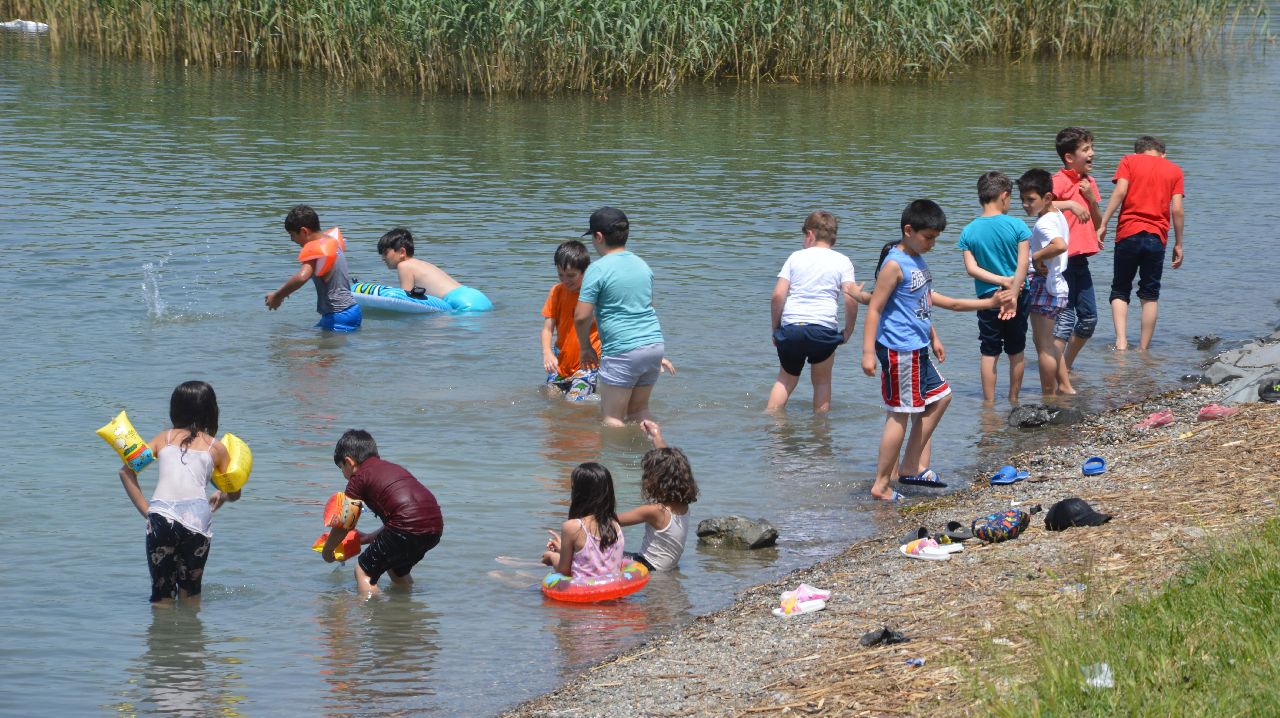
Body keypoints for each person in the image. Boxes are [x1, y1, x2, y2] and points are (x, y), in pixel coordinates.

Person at [861, 200, 1012, 500]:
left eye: (935, 238)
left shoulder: (917, 261)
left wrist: (987, 305)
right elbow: (875, 309)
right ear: (908, 230)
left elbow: (932, 304)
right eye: (928, 237)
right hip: (899, 349)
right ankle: (881, 484)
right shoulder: (895, 264)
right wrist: (867, 352)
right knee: (900, 414)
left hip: (918, 349)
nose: (932, 243)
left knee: (941, 397)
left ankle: (907, 466)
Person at [117, 381, 239, 604]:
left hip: (162, 517)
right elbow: (234, 492)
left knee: (161, 592)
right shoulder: (217, 448)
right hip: (197, 521)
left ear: (174, 409)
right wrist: (220, 496)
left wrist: (148, 511)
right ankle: (190, 638)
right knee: (191, 593)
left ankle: (161, 637)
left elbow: (126, 472)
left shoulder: (163, 438)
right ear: (212, 411)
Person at [574, 207, 675, 426]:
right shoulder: (642, 265)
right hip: (654, 346)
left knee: (612, 417)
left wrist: (585, 347)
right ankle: (654, 453)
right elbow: (649, 305)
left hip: (622, 350)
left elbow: (581, 316)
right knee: (640, 412)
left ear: (598, 236)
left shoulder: (598, 269)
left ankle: (615, 461)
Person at [767, 211, 868, 412]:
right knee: (822, 382)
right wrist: (848, 330)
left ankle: (772, 427)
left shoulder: (795, 257)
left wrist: (776, 329)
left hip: (792, 328)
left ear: (810, 234)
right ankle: (820, 435)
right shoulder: (842, 261)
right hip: (823, 329)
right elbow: (851, 298)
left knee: (785, 379)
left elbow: (778, 296)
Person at [322, 429, 444, 596]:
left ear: (349, 462)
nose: (344, 474)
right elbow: (405, 516)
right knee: (396, 570)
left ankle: (377, 615)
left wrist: (328, 551)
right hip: (435, 526)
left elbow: (345, 523)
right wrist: (367, 538)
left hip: (406, 526)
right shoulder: (392, 468)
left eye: (341, 468)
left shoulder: (358, 478)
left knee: (364, 571)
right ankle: (406, 613)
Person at [1098, 135, 1185, 351]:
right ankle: (1144, 349)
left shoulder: (1129, 160)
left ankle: (1121, 343)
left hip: (1129, 232)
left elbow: (1120, 192)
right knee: (1150, 294)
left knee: (1120, 289)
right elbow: (1177, 209)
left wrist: (1103, 223)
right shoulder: (1174, 169)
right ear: (1162, 153)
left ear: (1138, 152)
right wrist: (1179, 243)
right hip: (1157, 237)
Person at [957, 171, 1031, 404]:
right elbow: (1023, 264)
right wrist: (1013, 288)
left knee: (989, 350)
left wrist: (1000, 282)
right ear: (1004, 196)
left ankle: (988, 405)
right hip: (1018, 293)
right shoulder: (1017, 225)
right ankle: (1013, 399)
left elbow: (972, 269)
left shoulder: (968, 230)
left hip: (987, 297)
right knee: (1016, 349)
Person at [1051, 127, 1104, 390]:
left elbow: (1097, 223)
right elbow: (1037, 206)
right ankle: (1054, 376)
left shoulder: (1089, 182)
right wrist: (1070, 204)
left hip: (1081, 260)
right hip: (1061, 261)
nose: (1092, 153)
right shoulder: (1058, 181)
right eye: (1086, 149)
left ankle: (1065, 366)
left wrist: (1091, 200)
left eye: (1091, 148)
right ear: (1069, 157)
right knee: (1065, 320)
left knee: (1089, 319)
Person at [1017, 168, 1072, 397]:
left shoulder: (1043, 224)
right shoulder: (1056, 214)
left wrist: (1035, 256)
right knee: (1048, 342)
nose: (1025, 205)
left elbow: (1060, 245)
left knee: (1043, 346)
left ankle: (1048, 397)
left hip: (1045, 286)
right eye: (1022, 200)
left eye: (1031, 200)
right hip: (1057, 285)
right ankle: (1066, 388)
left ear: (1047, 198)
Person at [266, 205, 362, 332]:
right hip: (350, 310)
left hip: (338, 316)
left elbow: (302, 277)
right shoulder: (331, 241)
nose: (292, 240)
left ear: (304, 232)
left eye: (292, 235)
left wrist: (277, 296)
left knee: (291, 349)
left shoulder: (316, 250)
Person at [618, 420, 698, 571]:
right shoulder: (682, 505)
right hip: (665, 568)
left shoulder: (654, 511)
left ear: (655, 480)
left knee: (600, 553)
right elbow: (670, 466)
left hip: (646, 567)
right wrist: (656, 436)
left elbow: (609, 521)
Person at [541, 240, 602, 400]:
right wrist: (547, 352)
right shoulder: (556, 291)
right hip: (561, 360)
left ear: (585, 271)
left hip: (588, 363)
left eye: (571, 276)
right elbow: (548, 328)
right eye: (560, 274)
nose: (565, 280)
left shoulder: (595, 295)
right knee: (549, 397)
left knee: (574, 401)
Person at [541, 462, 624, 579]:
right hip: (614, 593)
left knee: (525, 582)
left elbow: (563, 571)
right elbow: (599, 561)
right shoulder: (615, 523)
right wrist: (563, 549)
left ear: (578, 493)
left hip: (585, 595)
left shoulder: (572, 527)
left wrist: (551, 556)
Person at [376, 227, 492, 311]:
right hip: (475, 296)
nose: (383, 258)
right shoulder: (421, 264)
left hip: (462, 302)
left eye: (385, 253)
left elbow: (404, 301)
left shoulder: (404, 265)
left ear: (401, 252)